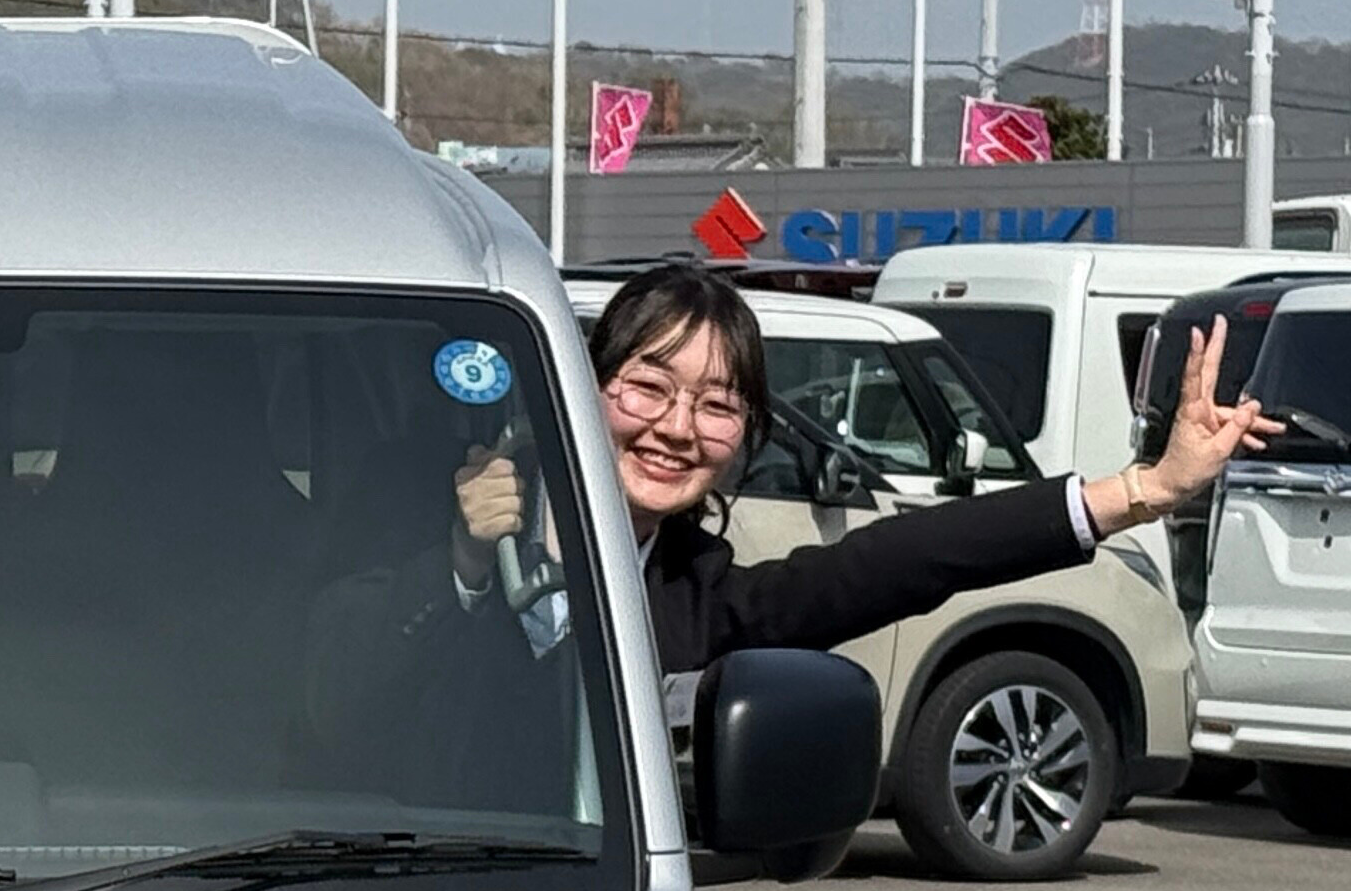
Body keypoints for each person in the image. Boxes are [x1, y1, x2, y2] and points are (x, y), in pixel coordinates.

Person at [433, 261, 1275, 671]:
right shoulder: (433, 511)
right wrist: (468, 565)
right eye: (649, 388)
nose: (677, 430)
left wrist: (1144, 490)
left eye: (718, 406)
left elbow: (906, 560)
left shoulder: (700, 600)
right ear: (583, 386)